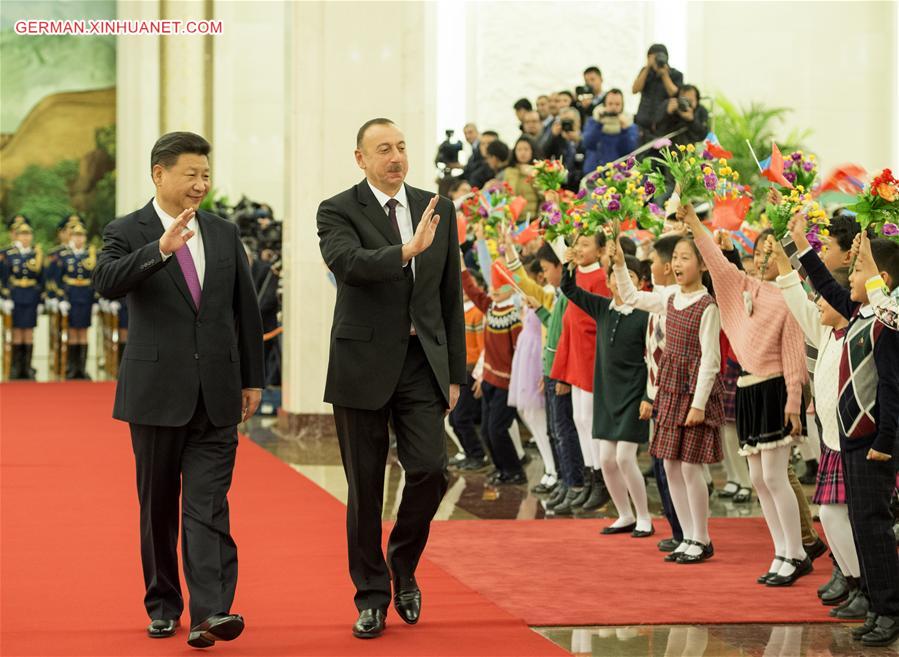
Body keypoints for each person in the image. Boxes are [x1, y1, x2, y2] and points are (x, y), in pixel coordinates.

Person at [92, 131, 264, 648]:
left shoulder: (224, 232)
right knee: (159, 505)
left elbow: (245, 311)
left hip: (217, 392)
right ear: (159, 174)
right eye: (191, 174)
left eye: (206, 175)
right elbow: (106, 281)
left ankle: (212, 612)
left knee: (209, 503)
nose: (200, 185)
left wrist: (252, 378)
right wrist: (158, 250)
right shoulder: (128, 230)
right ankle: (164, 603)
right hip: (155, 392)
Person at [316, 118, 465, 639]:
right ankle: (372, 595)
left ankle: (403, 562)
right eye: (383, 149)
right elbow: (347, 263)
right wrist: (405, 252)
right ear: (361, 158)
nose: (396, 157)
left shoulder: (437, 207)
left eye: (401, 147)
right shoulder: (337, 209)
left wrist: (456, 374)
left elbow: (450, 295)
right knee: (365, 487)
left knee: (430, 470)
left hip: (422, 364)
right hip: (361, 366)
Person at [680, 204, 811, 586]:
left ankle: (797, 553)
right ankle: (781, 550)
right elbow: (717, 264)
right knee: (758, 478)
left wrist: (792, 402)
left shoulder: (789, 295)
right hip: (748, 388)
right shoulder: (743, 285)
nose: (763, 259)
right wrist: (692, 224)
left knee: (775, 476)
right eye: (759, 253)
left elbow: (792, 353)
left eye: (772, 252)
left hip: (775, 389)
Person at [790, 216, 899, 647]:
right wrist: (801, 243)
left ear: (881, 278)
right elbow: (823, 283)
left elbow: (891, 386)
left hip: (875, 441)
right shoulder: (860, 313)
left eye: (858, 268)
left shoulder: (888, 322)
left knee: (873, 524)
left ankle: (890, 609)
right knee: (861, 523)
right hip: (853, 439)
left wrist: (886, 442)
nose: (848, 276)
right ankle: (875, 603)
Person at [771, 244, 863, 612]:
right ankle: (854, 580)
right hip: (831, 438)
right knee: (828, 514)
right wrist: (782, 247)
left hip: (854, 439)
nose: (817, 304)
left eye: (824, 299)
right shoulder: (824, 331)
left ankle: (863, 585)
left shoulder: (859, 331)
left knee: (848, 517)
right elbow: (795, 294)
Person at [562, 247, 653, 536]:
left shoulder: (644, 315)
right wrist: (569, 263)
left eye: (628, 275)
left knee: (625, 458)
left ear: (638, 282)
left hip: (633, 395)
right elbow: (569, 289)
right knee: (605, 460)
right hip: (606, 394)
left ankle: (644, 516)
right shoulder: (602, 308)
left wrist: (648, 397)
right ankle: (624, 514)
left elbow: (653, 359)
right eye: (615, 274)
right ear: (610, 280)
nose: (620, 279)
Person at [550, 232, 612, 511]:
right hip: (575, 354)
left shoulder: (601, 278)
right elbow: (568, 326)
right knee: (579, 419)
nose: (579, 248)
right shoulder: (574, 276)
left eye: (586, 244)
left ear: (600, 251)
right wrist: (561, 369)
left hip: (592, 357)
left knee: (590, 419)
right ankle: (590, 476)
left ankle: (602, 480)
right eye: (577, 243)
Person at [461, 258, 525, 485]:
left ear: (510, 288)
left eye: (500, 286)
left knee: (497, 429)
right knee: (488, 430)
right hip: (488, 378)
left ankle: (515, 470)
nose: (495, 291)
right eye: (493, 286)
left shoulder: (515, 317)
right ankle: (502, 468)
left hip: (506, 383)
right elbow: (472, 290)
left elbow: (519, 353)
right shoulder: (490, 307)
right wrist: (461, 267)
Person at [0, 217, 43, 380]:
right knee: (17, 332)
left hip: (31, 296)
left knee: (29, 332)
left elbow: (41, 279)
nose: (26, 238)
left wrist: (41, 300)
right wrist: (4, 297)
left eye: (28, 234)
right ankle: (16, 367)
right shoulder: (8, 254)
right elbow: (3, 278)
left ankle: (27, 367)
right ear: (16, 236)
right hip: (15, 297)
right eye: (22, 234)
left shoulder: (35, 254)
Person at [58, 220, 96, 379]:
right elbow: (58, 279)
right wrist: (61, 298)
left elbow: (96, 278)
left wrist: (96, 300)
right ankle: (72, 367)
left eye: (81, 236)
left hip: (86, 296)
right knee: (73, 331)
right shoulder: (65, 255)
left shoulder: (91, 255)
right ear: (71, 237)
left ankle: (82, 368)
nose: (79, 239)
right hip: (72, 296)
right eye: (76, 236)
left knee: (84, 331)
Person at [581, 89, 639, 177]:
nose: (613, 107)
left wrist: (624, 130)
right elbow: (587, 143)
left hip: (616, 175)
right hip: (593, 173)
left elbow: (629, 151)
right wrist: (599, 124)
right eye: (610, 104)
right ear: (604, 104)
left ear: (622, 106)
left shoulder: (629, 125)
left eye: (617, 104)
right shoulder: (594, 121)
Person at [633, 44, 683, 143]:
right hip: (643, 125)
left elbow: (675, 94)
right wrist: (647, 68)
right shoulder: (646, 73)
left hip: (664, 126)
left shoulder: (675, 74)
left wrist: (664, 74)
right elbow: (635, 89)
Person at [652, 84, 709, 149]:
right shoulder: (672, 109)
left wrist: (692, 120)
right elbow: (657, 131)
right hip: (667, 149)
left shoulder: (701, 111)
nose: (686, 104)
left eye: (690, 101)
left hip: (690, 150)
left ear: (697, 100)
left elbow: (701, 136)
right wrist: (667, 113)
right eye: (684, 100)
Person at [500, 136, 540, 218]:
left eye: (526, 149)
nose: (522, 153)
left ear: (532, 151)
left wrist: (532, 174)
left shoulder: (539, 169)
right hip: (513, 218)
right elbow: (504, 195)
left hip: (532, 218)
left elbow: (543, 195)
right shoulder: (509, 171)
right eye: (519, 150)